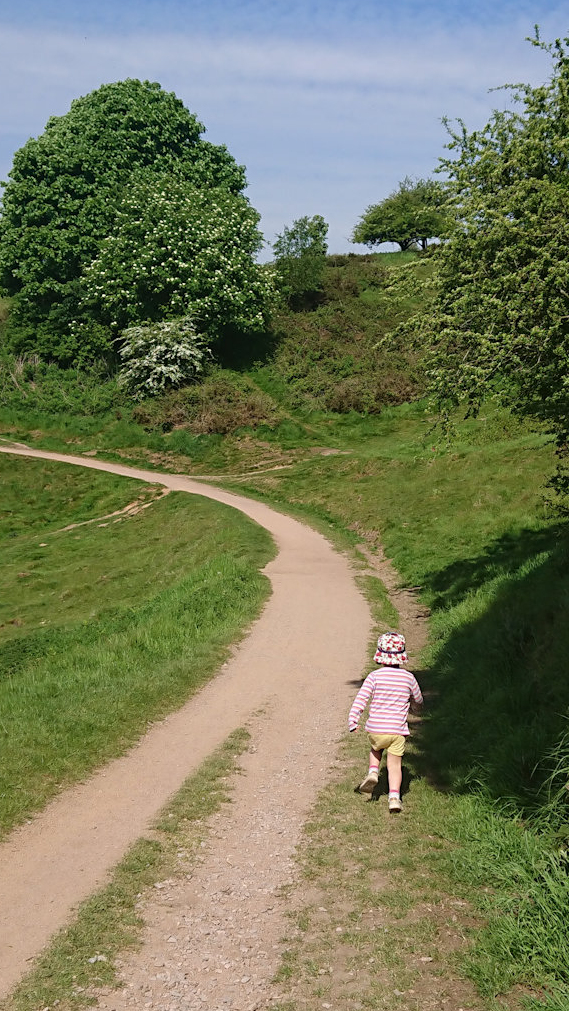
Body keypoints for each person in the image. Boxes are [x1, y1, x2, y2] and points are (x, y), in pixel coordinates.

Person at [348, 632, 423, 812]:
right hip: (397, 731)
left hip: (376, 728)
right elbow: (418, 700)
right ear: (401, 656)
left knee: (376, 749)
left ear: (380, 655)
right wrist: (415, 709)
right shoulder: (409, 678)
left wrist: (353, 720)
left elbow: (361, 699)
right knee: (395, 765)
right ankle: (394, 798)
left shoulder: (374, 676)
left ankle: (373, 771)